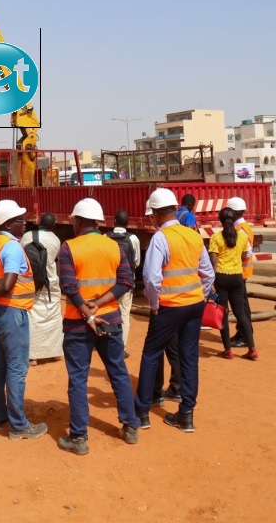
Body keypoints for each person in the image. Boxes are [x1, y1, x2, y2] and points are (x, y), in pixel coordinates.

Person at [56, 198, 140, 455]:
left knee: (78, 379)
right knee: (118, 372)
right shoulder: (114, 247)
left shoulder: (69, 247)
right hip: (111, 320)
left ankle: (79, 438)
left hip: (78, 324)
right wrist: (100, 303)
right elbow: (126, 281)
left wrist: (88, 311)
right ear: (98, 222)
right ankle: (130, 426)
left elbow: (69, 287)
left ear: (78, 221)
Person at [134, 188, 215, 433]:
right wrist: (200, 295)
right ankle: (186, 415)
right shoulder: (193, 235)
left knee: (151, 354)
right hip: (193, 305)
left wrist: (155, 304)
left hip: (169, 307)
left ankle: (142, 413)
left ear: (157, 214)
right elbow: (208, 273)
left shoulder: (160, 238)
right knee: (189, 357)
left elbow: (151, 278)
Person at [0, 199, 48, 441]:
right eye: (19, 220)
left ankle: (1, 416)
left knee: (1, 363)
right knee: (17, 368)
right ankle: (19, 425)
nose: (24, 223)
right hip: (12, 312)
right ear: (8, 223)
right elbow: (7, 285)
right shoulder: (13, 247)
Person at [209, 208, 256, 360]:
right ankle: (252, 349)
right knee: (241, 313)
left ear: (220, 220)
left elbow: (213, 261)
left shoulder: (216, 237)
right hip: (237, 277)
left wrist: (211, 280)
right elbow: (244, 256)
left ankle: (228, 350)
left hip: (221, 277)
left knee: (223, 314)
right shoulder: (242, 236)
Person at [22, 212, 62, 362]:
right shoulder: (55, 240)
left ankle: (33, 357)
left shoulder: (26, 237)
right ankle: (55, 352)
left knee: (32, 316)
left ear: (39, 222)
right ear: (53, 226)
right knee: (52, 315)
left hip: (30, 283)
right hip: (49, 283)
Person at [107, 210, 140, 351]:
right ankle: (121, 347)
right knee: (125, 313)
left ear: (114, 221)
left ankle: (107, 343)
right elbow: (136, 262)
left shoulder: (105, 237)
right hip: (126, 283)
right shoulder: (133, 239)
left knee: (108, 311)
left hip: (109, 282)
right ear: (128, 223)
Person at [226, 196, 255, 347]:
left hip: (239, 272)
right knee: (241, 305)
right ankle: (241, 332)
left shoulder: (240, 230)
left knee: (242, 307)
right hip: (241, 272)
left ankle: (245, 335)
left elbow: (246, 252)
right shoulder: (243, 227)